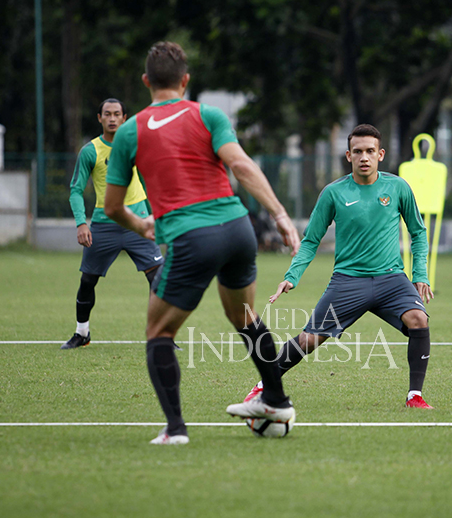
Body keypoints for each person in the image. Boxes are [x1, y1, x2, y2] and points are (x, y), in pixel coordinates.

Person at [104, 41, 302, 445]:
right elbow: (242, 166)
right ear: (185, 80)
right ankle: (276, 400)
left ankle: (175, 429)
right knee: (245, 317)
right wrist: (280, 215)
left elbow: (111, 207)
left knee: (159, 332)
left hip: (193, 238)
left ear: (146, 82)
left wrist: (140, 225)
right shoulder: (207, 115)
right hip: (238, 229)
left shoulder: (129, 131)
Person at [242, 123, 435, 410]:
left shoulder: (398, 188)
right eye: (358, 152)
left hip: (391, 279)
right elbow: (310, 240)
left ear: (380, 154)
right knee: (308, 340)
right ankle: (264, 384)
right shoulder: (333, 193)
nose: (364, 157)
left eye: (370, 151)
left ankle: (414, 397)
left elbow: (418, 233)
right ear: (348, 155)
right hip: (348, 282)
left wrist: (420, 274)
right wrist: (292, 276)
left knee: (419, 319)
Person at [62, 98, 164, 349]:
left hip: (138, 223)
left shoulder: (137, 147)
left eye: (117, 114)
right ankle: (82, 333)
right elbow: (75, 190)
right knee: (87, 281)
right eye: (107, 114)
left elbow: (154, 181)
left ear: (124, 117)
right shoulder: (90, 151)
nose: (112, 118)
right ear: (99, 118)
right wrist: (81, 223)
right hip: (104, 224)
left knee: (158, 279)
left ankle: (162, 336)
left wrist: (159, 215)